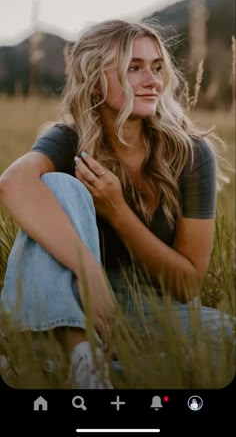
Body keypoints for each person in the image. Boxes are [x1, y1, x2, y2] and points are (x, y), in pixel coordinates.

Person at [0, 19, 234, 389]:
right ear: (95, 80)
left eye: (157, 67)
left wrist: (117, 211)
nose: (152, 80)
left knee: (227, 338)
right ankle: (83, 358)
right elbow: (13, 183)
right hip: (75, 298)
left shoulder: (191, 153)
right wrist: (89, 271)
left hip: (153, 307)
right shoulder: (68, 139)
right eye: (133, 68)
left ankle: (73, 370)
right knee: (59, 185)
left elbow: (187, 284)